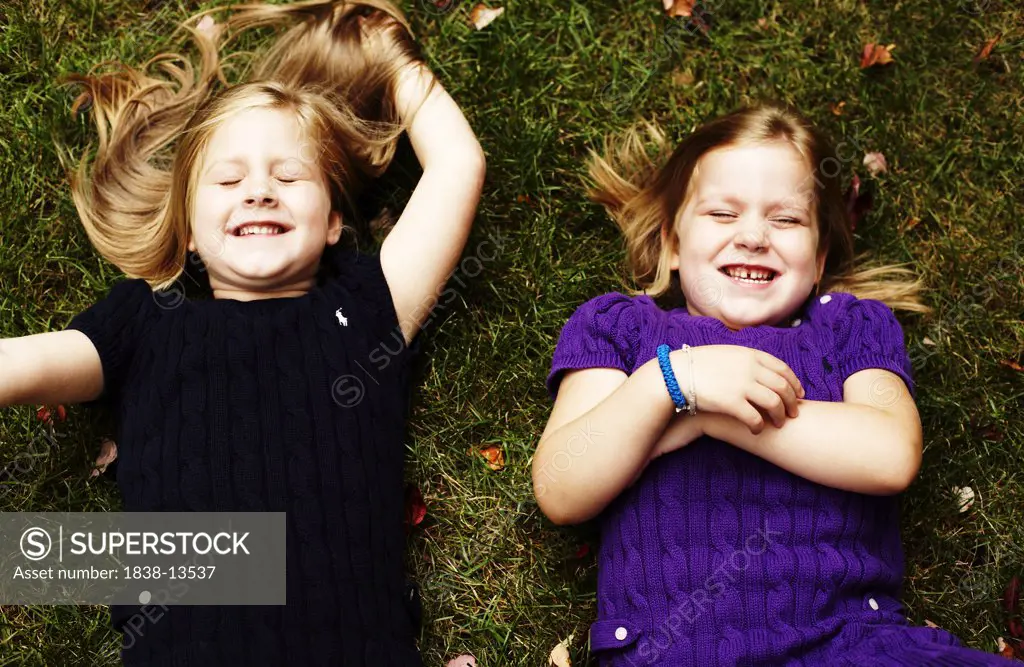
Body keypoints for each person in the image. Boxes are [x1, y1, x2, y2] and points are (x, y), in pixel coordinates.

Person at [0, 1, 485, 665]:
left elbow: (457, 167)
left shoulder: (367, 307)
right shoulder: (145, 323)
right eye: (228, 179)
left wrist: (389, 55)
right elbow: (20, 366)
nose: (259, 189)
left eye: (289, 176)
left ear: (335, 221)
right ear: (191, 233)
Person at [534, 105, 1011, 665]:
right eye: (721, 213)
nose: (754, 236)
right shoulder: (623, 327)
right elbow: (562, 486)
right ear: (670, 245)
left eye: (785, 220)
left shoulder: (849, 328)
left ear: (819, 257)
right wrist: (673, 383)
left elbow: (890, 455)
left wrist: (706, 414)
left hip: (853, 644)